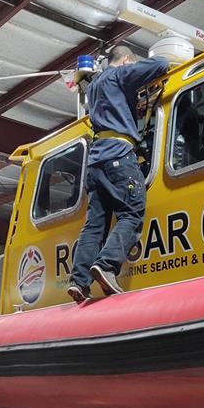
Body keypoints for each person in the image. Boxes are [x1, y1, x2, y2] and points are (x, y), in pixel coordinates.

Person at [68, 45, 169, 303]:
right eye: (130, 64)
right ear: (125, 61)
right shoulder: (118, 74)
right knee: (132, 211)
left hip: (96, 161)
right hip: (118, 154)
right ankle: (107, 265)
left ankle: (79, 281)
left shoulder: (92, 88)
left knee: (95, 224)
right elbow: (161, 64)